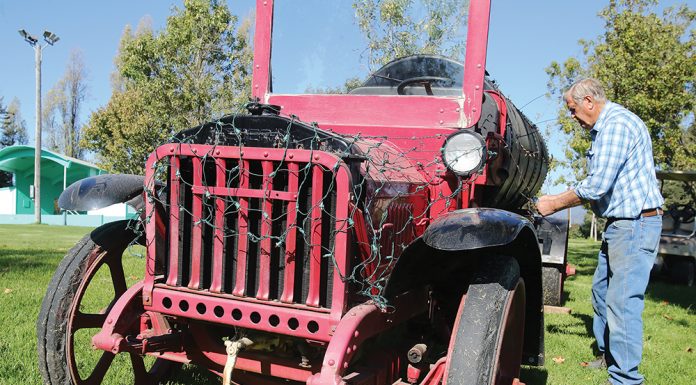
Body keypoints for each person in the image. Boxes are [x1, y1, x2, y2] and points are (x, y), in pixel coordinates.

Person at [536, 78, 663, 385]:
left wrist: (551, 203)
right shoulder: (608, 126)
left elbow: (596, 185)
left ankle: (626, 378)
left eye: (572, 108)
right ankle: (609, 356)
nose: (572, 116)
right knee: (602, 292)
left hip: (635, 223)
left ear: (589, 101)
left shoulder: (616, 126)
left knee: (623, 302)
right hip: (621, 223)